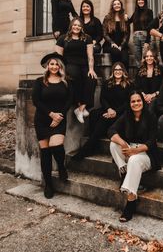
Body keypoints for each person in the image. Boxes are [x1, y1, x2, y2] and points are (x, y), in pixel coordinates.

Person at [108, 90, 161, 222]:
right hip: (130, 150)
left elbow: (152, 141)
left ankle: (131, 202)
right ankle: (125, 172)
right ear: (129, 103)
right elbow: (111, 130)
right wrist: (123, 143)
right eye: (133, 101)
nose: (136, 103)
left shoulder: (151, 117)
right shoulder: (127, 115)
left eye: (138, 100)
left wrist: (135, 151)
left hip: (145, 154)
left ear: (142, 102)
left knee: (134, 159)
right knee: (113, 144)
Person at [32, 52, 73, 199]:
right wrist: (51, 114)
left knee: (56, 146)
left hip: (59, 120)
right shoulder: (39, 81)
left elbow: (69, 100)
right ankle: (48, 184)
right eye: (52, 64)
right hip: (42, 120)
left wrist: (59, 116)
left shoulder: (65, 82)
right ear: (47, 66)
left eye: (57, 64)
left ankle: (61, 167)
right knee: (45, 153)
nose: (54, 66)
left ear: (60, 66)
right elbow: (36, 101)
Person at [72, 62, 132, 161]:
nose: (118, 72)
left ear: (123, 71)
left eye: (120, 70)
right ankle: (93, 139)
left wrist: (115, 112)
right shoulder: (107, 83)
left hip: (121, 112)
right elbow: (102, 99)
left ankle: (86, 149)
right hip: (108, 109)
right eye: (116, 70)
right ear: (113, 71)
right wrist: (108, 109)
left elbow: (128, 102)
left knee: (103, 119)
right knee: (94, 114)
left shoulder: (129, 84)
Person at [55, 18, 97, 124]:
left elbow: (90, 56)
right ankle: (80, 107)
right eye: (75, 25)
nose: (76, 27)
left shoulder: (87, 38)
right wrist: (60, 71)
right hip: (69, 64)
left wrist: (91, 69)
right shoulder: (62, 38)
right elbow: (58, 57)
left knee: (92, 79)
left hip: (84, 65)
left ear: (82, 27)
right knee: (74, 75)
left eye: (79, 25)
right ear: (71, 26)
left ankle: (81, 109)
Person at [103, 0, 130, 70]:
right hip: (109, 45)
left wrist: (121, 46)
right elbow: (104, 33)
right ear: (112, 6)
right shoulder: (107, 18)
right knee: (116, 53)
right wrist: (112, 43)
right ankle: (114, 78)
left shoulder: (125, 18)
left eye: (118, 4)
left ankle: (125, 78)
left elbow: (127, 34)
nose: (116, 5)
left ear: (121, 6)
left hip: (122, 45)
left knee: (125, 59)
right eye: (114, 4)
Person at [128, 0, 154, 67]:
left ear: (145, 1)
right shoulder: (135, 12)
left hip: (145, 36)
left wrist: (147, 41)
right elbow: (129, 22)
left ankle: (146, 73)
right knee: (137, 57)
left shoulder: (149, 12)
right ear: (137, 1)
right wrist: (125, 16)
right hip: (136, 37)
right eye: (139, 0)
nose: (140, 1)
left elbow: (150, 27)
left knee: (146, 56)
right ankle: (140, 73)